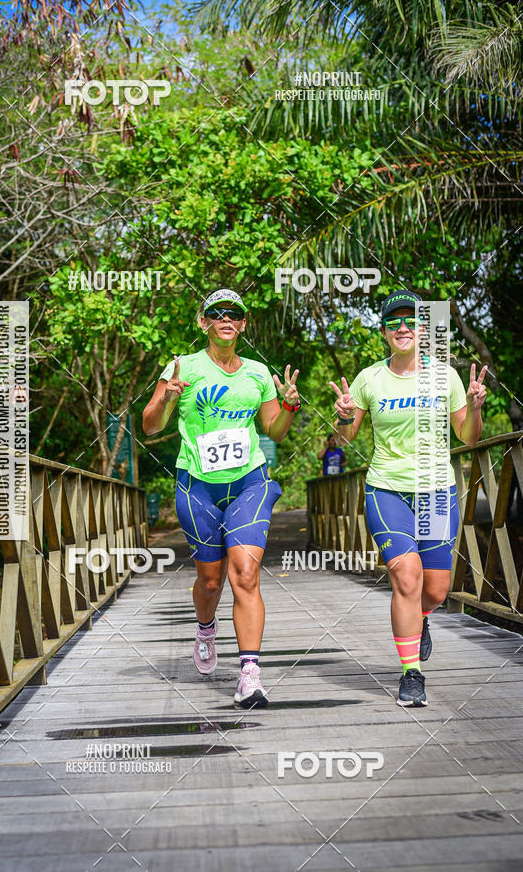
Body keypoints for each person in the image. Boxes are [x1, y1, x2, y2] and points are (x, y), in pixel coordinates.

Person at [142, 288, 300, 708]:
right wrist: (169, 396)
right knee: (210, 581)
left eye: (235, 314)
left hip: (249, 479)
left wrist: (288, 407)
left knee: (245, 573)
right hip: (198, 485)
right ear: (204, 322)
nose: (226, 319)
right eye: (217, 312)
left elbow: (274, 430)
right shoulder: (182, 367)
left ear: (243, 324)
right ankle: (206, 626)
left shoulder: (257, 373)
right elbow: (150, 426)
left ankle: (250, 675)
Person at [329, 289, 487, 707]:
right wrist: (344, 416)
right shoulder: (369, 379)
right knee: (407, 577)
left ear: (422, 328)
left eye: (411, 320)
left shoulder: (446, 376)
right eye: (394, 322)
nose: (403, 328)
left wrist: (473, 408)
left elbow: (468, 437)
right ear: (383, 331)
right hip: (387, 489)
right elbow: (344, 440)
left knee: (435, 589)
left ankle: (422, 618)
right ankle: (410, 673)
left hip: (436, 491)